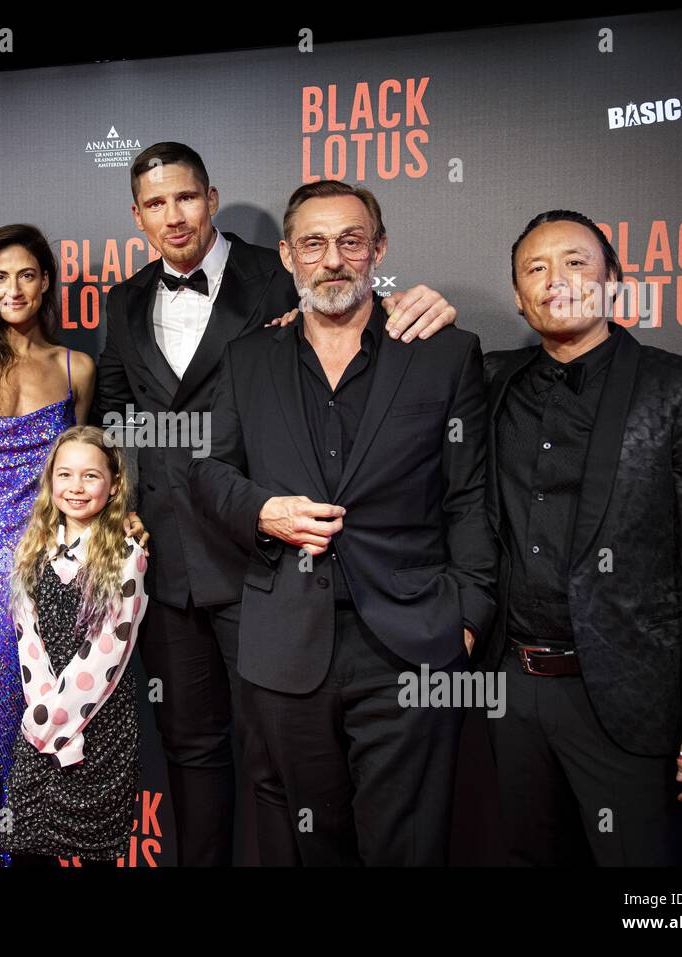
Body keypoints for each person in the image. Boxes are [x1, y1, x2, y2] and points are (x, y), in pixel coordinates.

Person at [92, 142, 460, 865]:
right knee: (190, 746)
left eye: (187, 197)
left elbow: (355, 320)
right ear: (136, 216)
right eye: (156, 204)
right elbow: (115, 409)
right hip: (167, 560)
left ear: (213, 196)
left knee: (281, 768)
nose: (175, 216)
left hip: (266, 562)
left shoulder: (282, 270)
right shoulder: (125, 297)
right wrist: (123, 497)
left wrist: (422, 299)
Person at [188, 179, 496, 865]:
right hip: (286, 643)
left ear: (378, 249)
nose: (333, 259)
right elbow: (208, 473)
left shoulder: (445, 352)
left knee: (408, 845)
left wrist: (467, 620)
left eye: (351, 241)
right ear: (288, 255)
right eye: (315, 243)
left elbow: (469, 498)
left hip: (411, 643)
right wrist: (263, 510)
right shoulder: (248, 357)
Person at [480, 210, 682, 865]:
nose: (556, 281)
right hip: (512, 693)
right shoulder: (491, 383)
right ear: (519, 296)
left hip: (627, 696)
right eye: (536, 269)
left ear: (613, 281)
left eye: (576, 262)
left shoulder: (680, 388)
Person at [0, 224, 144, 867]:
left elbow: (85, 468)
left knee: (35, 724)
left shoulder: (77, 367)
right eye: (0, 277)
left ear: (46, 284)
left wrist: (126, 517)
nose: (14, 289)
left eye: (27, 276)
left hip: (51, 570)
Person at [4, 425, 150, 866]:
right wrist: (43, 717)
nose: (77, 487)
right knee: (28, 845)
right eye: (65, 475)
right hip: (39, 717)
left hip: (99, 728)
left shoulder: (128, 554)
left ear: (113, 484)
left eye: (91, 476)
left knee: (96, 850)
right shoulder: (31, 548)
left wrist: (54, 725)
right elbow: (28, 640)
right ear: (50, 481)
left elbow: (109, 651)